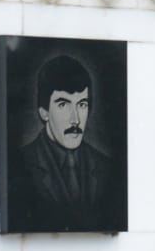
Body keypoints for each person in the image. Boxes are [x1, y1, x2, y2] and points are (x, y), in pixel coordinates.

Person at [11, 54, 119, 231]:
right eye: (63, 105)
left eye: (82, 104)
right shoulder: (20, 166)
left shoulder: (105, 166)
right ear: (44, 112)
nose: (75, 120)